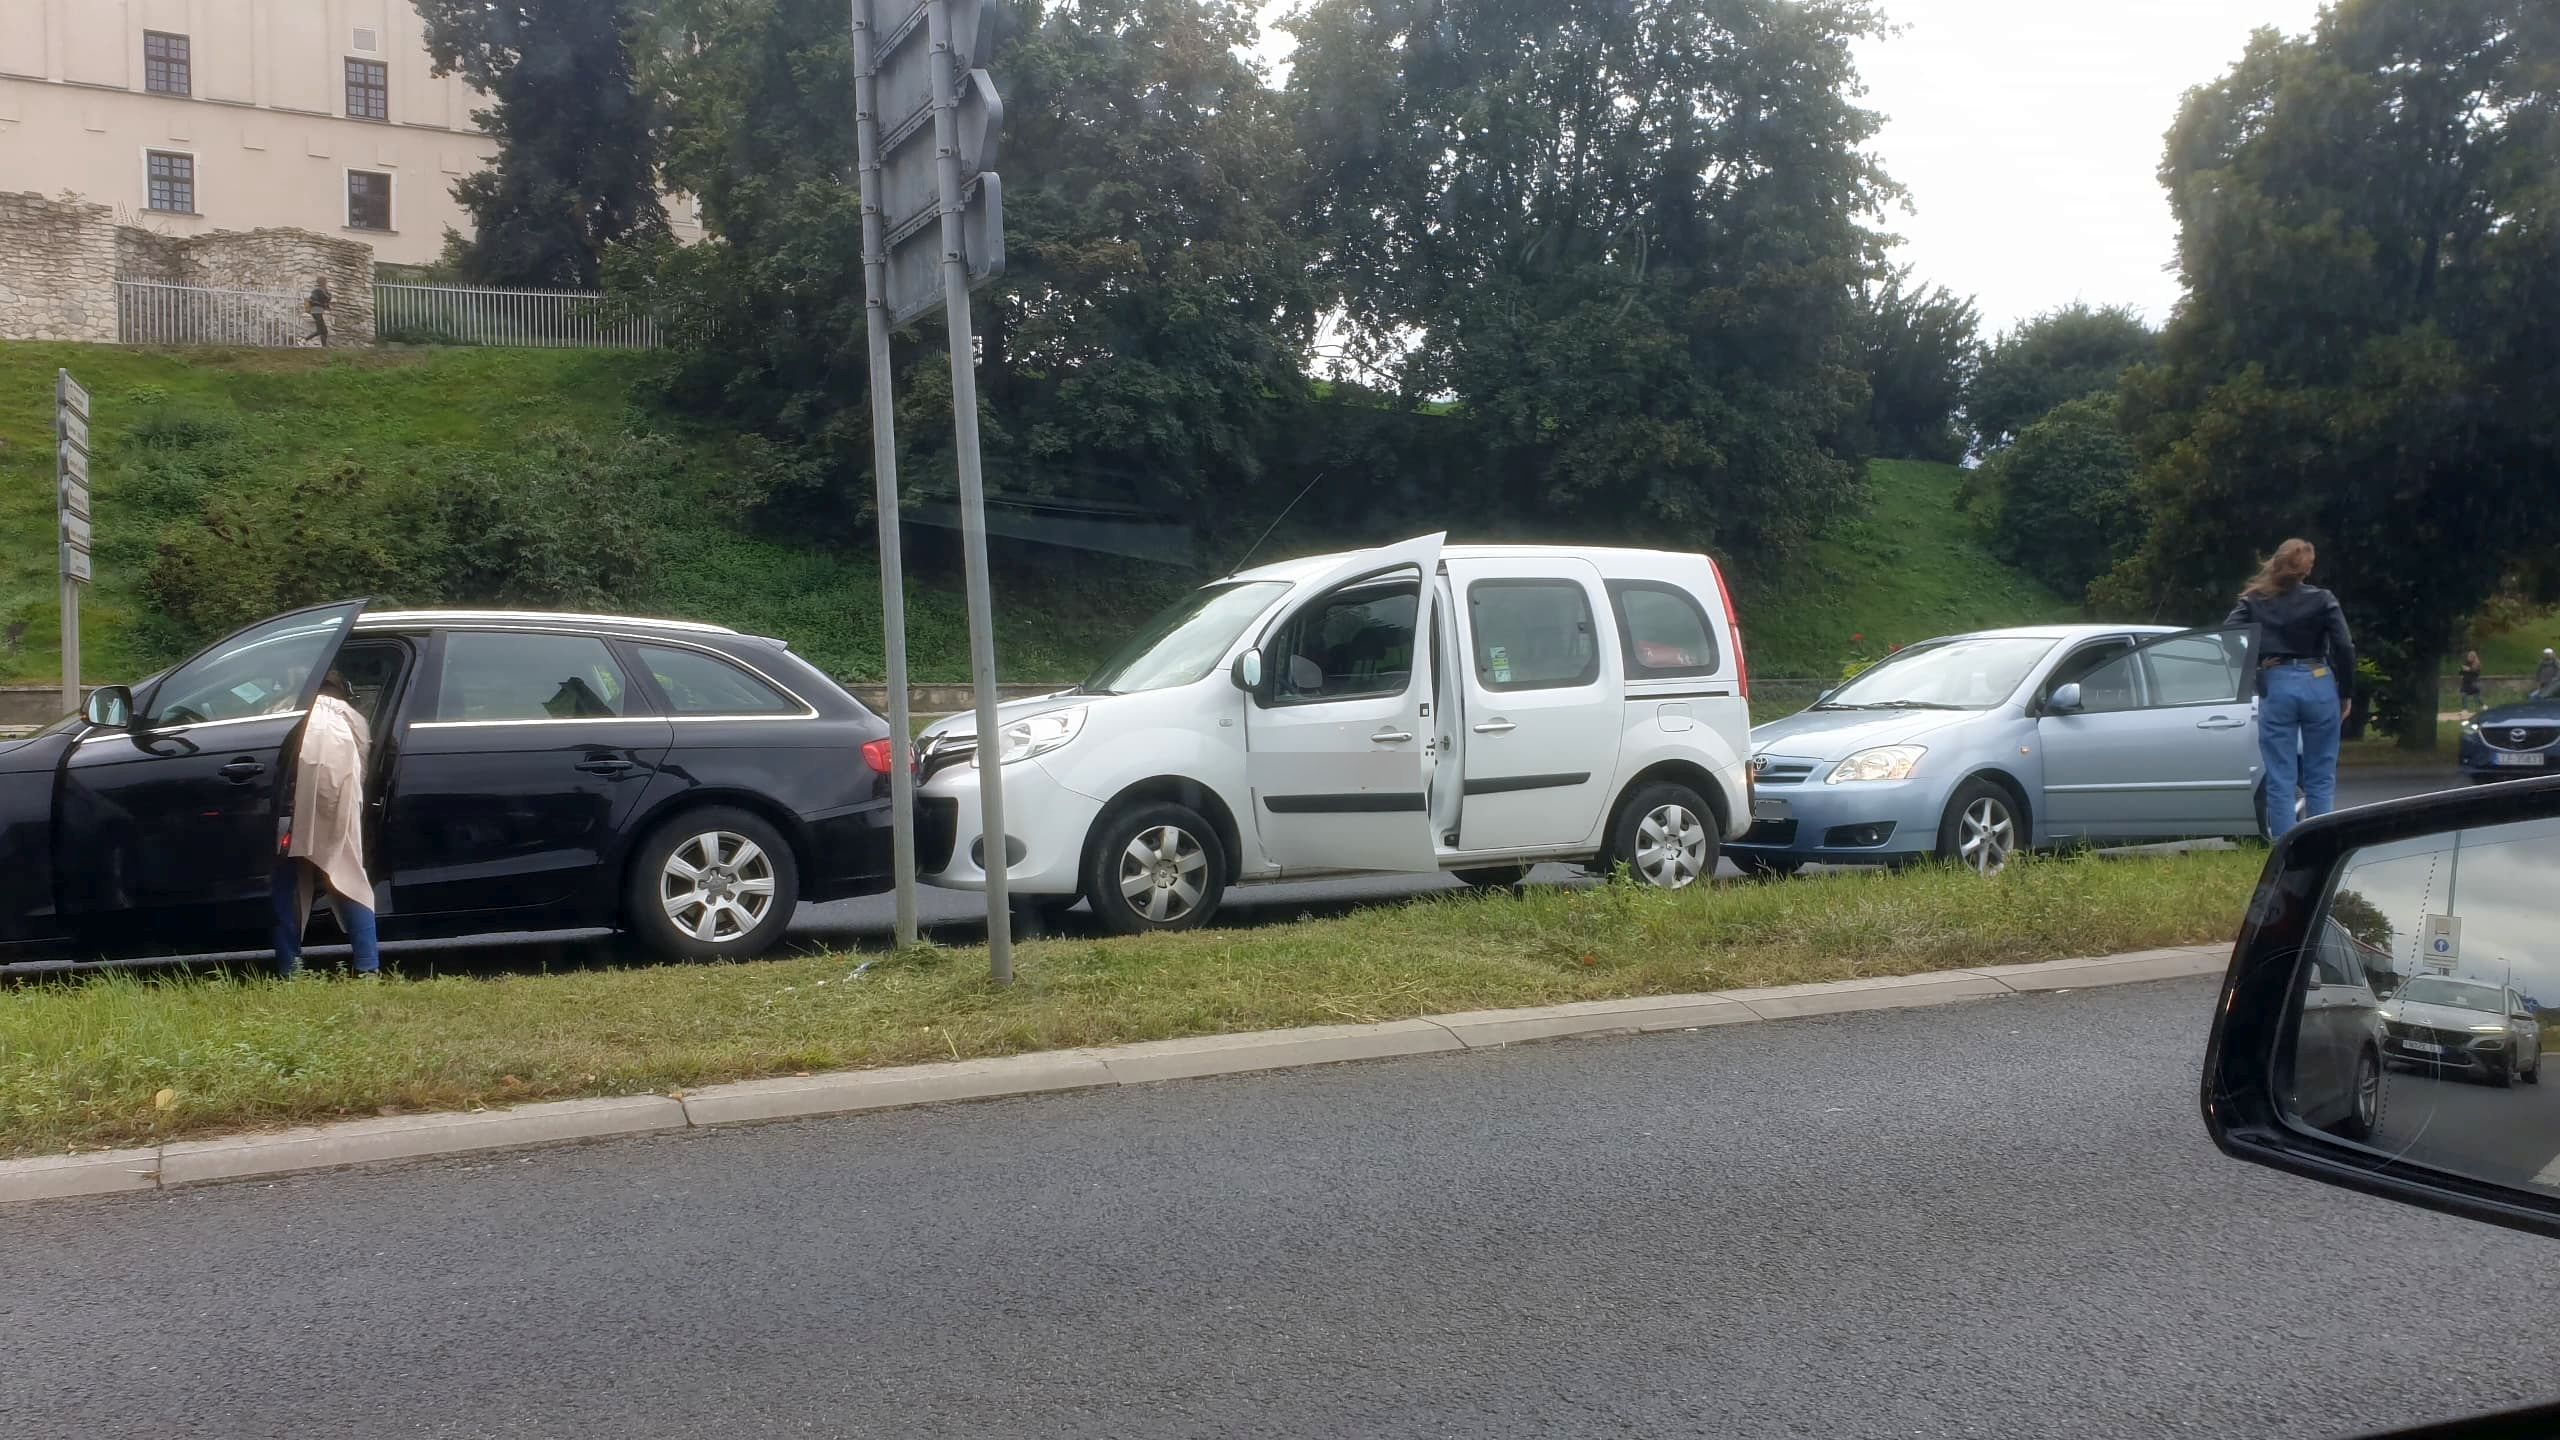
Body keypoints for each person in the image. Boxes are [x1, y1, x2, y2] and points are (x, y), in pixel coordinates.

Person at [2225, 538, 2353, 843]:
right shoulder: (2323, 599)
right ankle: (2322, 846)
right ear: (2307, 569)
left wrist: (2254, 665)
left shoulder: (2255, 599)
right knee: (2320, 773)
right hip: (2318, 679)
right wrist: (2346, 691)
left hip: (2277, 682)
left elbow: (2228, 633)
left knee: (2280, 776)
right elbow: (2345, 646)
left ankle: (2286, 850)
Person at [275, 671, 379, 977]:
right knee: (347, 877)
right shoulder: (354, 719)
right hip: (339, 806)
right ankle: (368, 966)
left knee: (288, 883)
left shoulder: (288, 711)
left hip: (294, 809)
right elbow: (362, 771)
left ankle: (289, 970)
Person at [305, 277, 332, 347]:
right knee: (322, 330)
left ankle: (324, 347)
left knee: (323, 331)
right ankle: (304, 339)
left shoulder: (324, 290)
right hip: (316, 311)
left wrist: (326, 305)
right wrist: (323, 304)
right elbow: (312, 301)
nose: (326, 283)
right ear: (322, 282)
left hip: (319, 311)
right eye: (325, 282)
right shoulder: (316, 290)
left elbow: (326, 299)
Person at [2460, 651, 2484, 716]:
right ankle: (2465, 710)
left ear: (2473, 657)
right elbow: (2461, 672)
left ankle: (2483, 706)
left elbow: (2476, 673)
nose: (2468, 658)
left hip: (2473, 682)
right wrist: (2462, 669)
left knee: (2476, 697)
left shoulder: (2477, 664)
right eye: (2468, 656)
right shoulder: (2466, 663)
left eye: (2470, 657)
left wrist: (2469, 670)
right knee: (2463, 694)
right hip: (2465, 682)